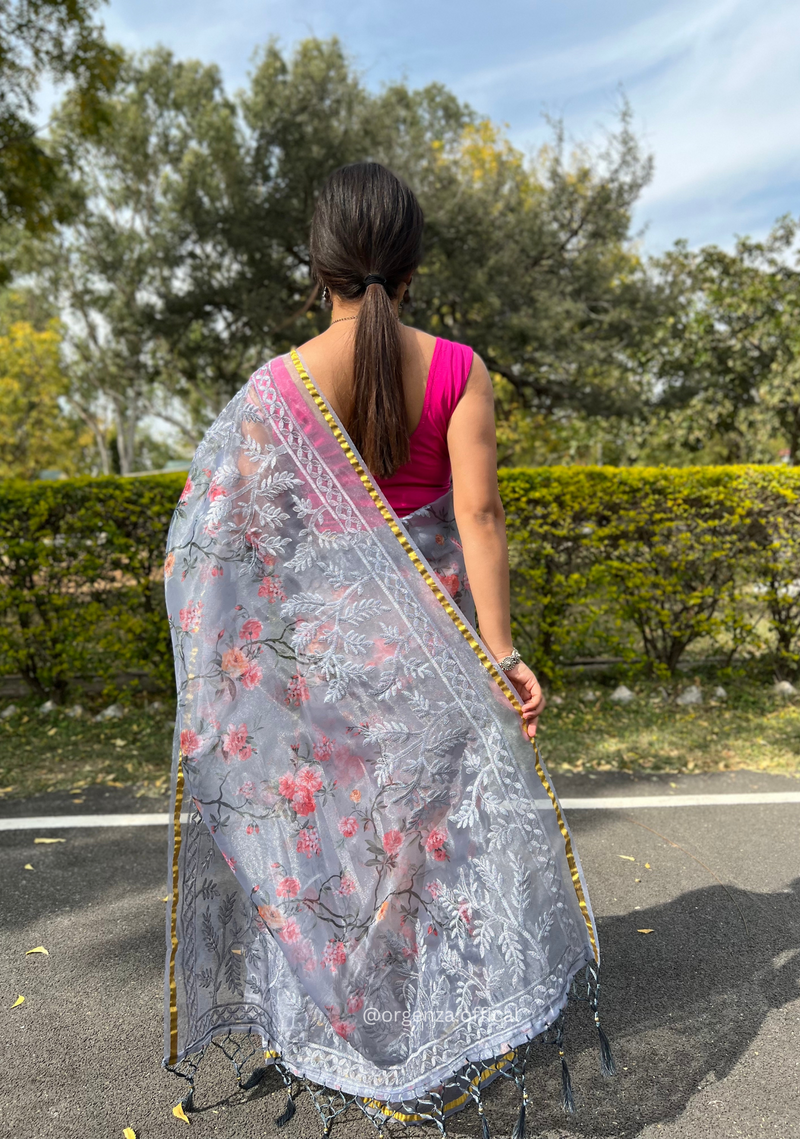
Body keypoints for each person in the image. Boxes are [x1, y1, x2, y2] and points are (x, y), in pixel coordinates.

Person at [162, 162, 611, 1136]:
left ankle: (355, 1016)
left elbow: (219, 539)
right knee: (427, 840)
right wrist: (497, 649)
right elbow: (478, 515)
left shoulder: (275, 389)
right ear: (409, 264)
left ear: (315, 264)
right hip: (434, 656)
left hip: (327, 667)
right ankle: (438, 1018)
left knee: (345, 838)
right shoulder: (458, 368)